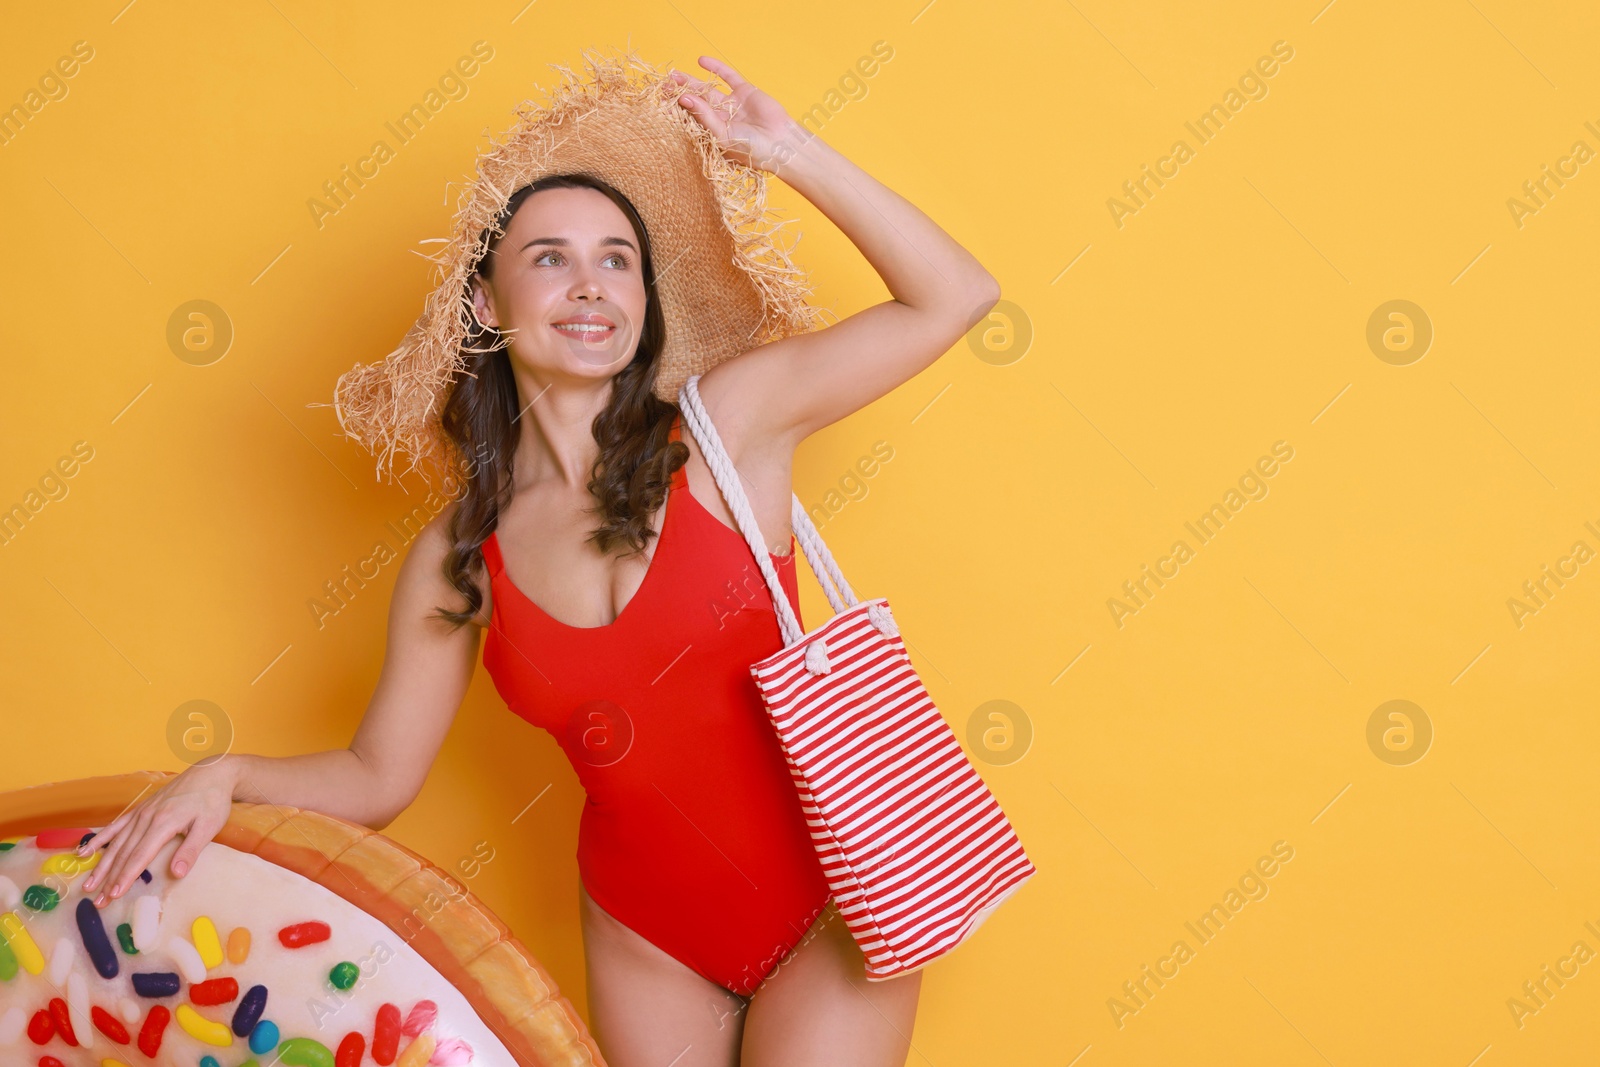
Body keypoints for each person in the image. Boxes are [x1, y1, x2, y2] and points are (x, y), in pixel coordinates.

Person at [77, 52, 999, 1067]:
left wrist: (788, 153)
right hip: (647, 934)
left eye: (617, 259)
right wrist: (227, 770)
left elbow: (951, 297)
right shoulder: (457, 554)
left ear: (644, 297)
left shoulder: (731, 426)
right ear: (485, 303)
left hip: (836, 888)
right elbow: (377, 774)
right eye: (550, 257)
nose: (592, 283)